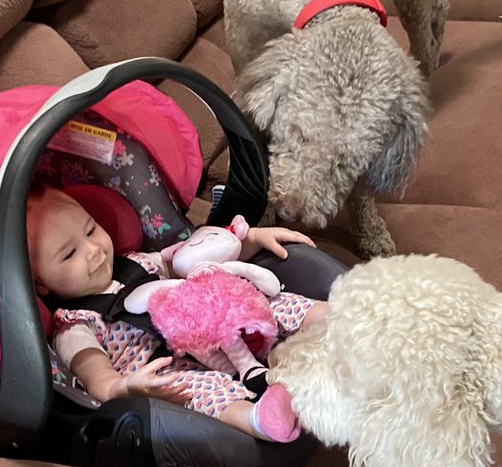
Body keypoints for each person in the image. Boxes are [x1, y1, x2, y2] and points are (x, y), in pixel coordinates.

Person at [26, 184, 327, 442]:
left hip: (215, 326)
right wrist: (128, 388)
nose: (93, 250)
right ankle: (261, 419)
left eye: (91, 230)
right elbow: (100, 382)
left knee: (263, 302)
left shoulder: (139, 263)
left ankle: (332, 320)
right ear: (40, 283)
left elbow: (201, 258)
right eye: (69, 254)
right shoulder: (75, 326)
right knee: (198, 392)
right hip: (170, 371)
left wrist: (253, 239)